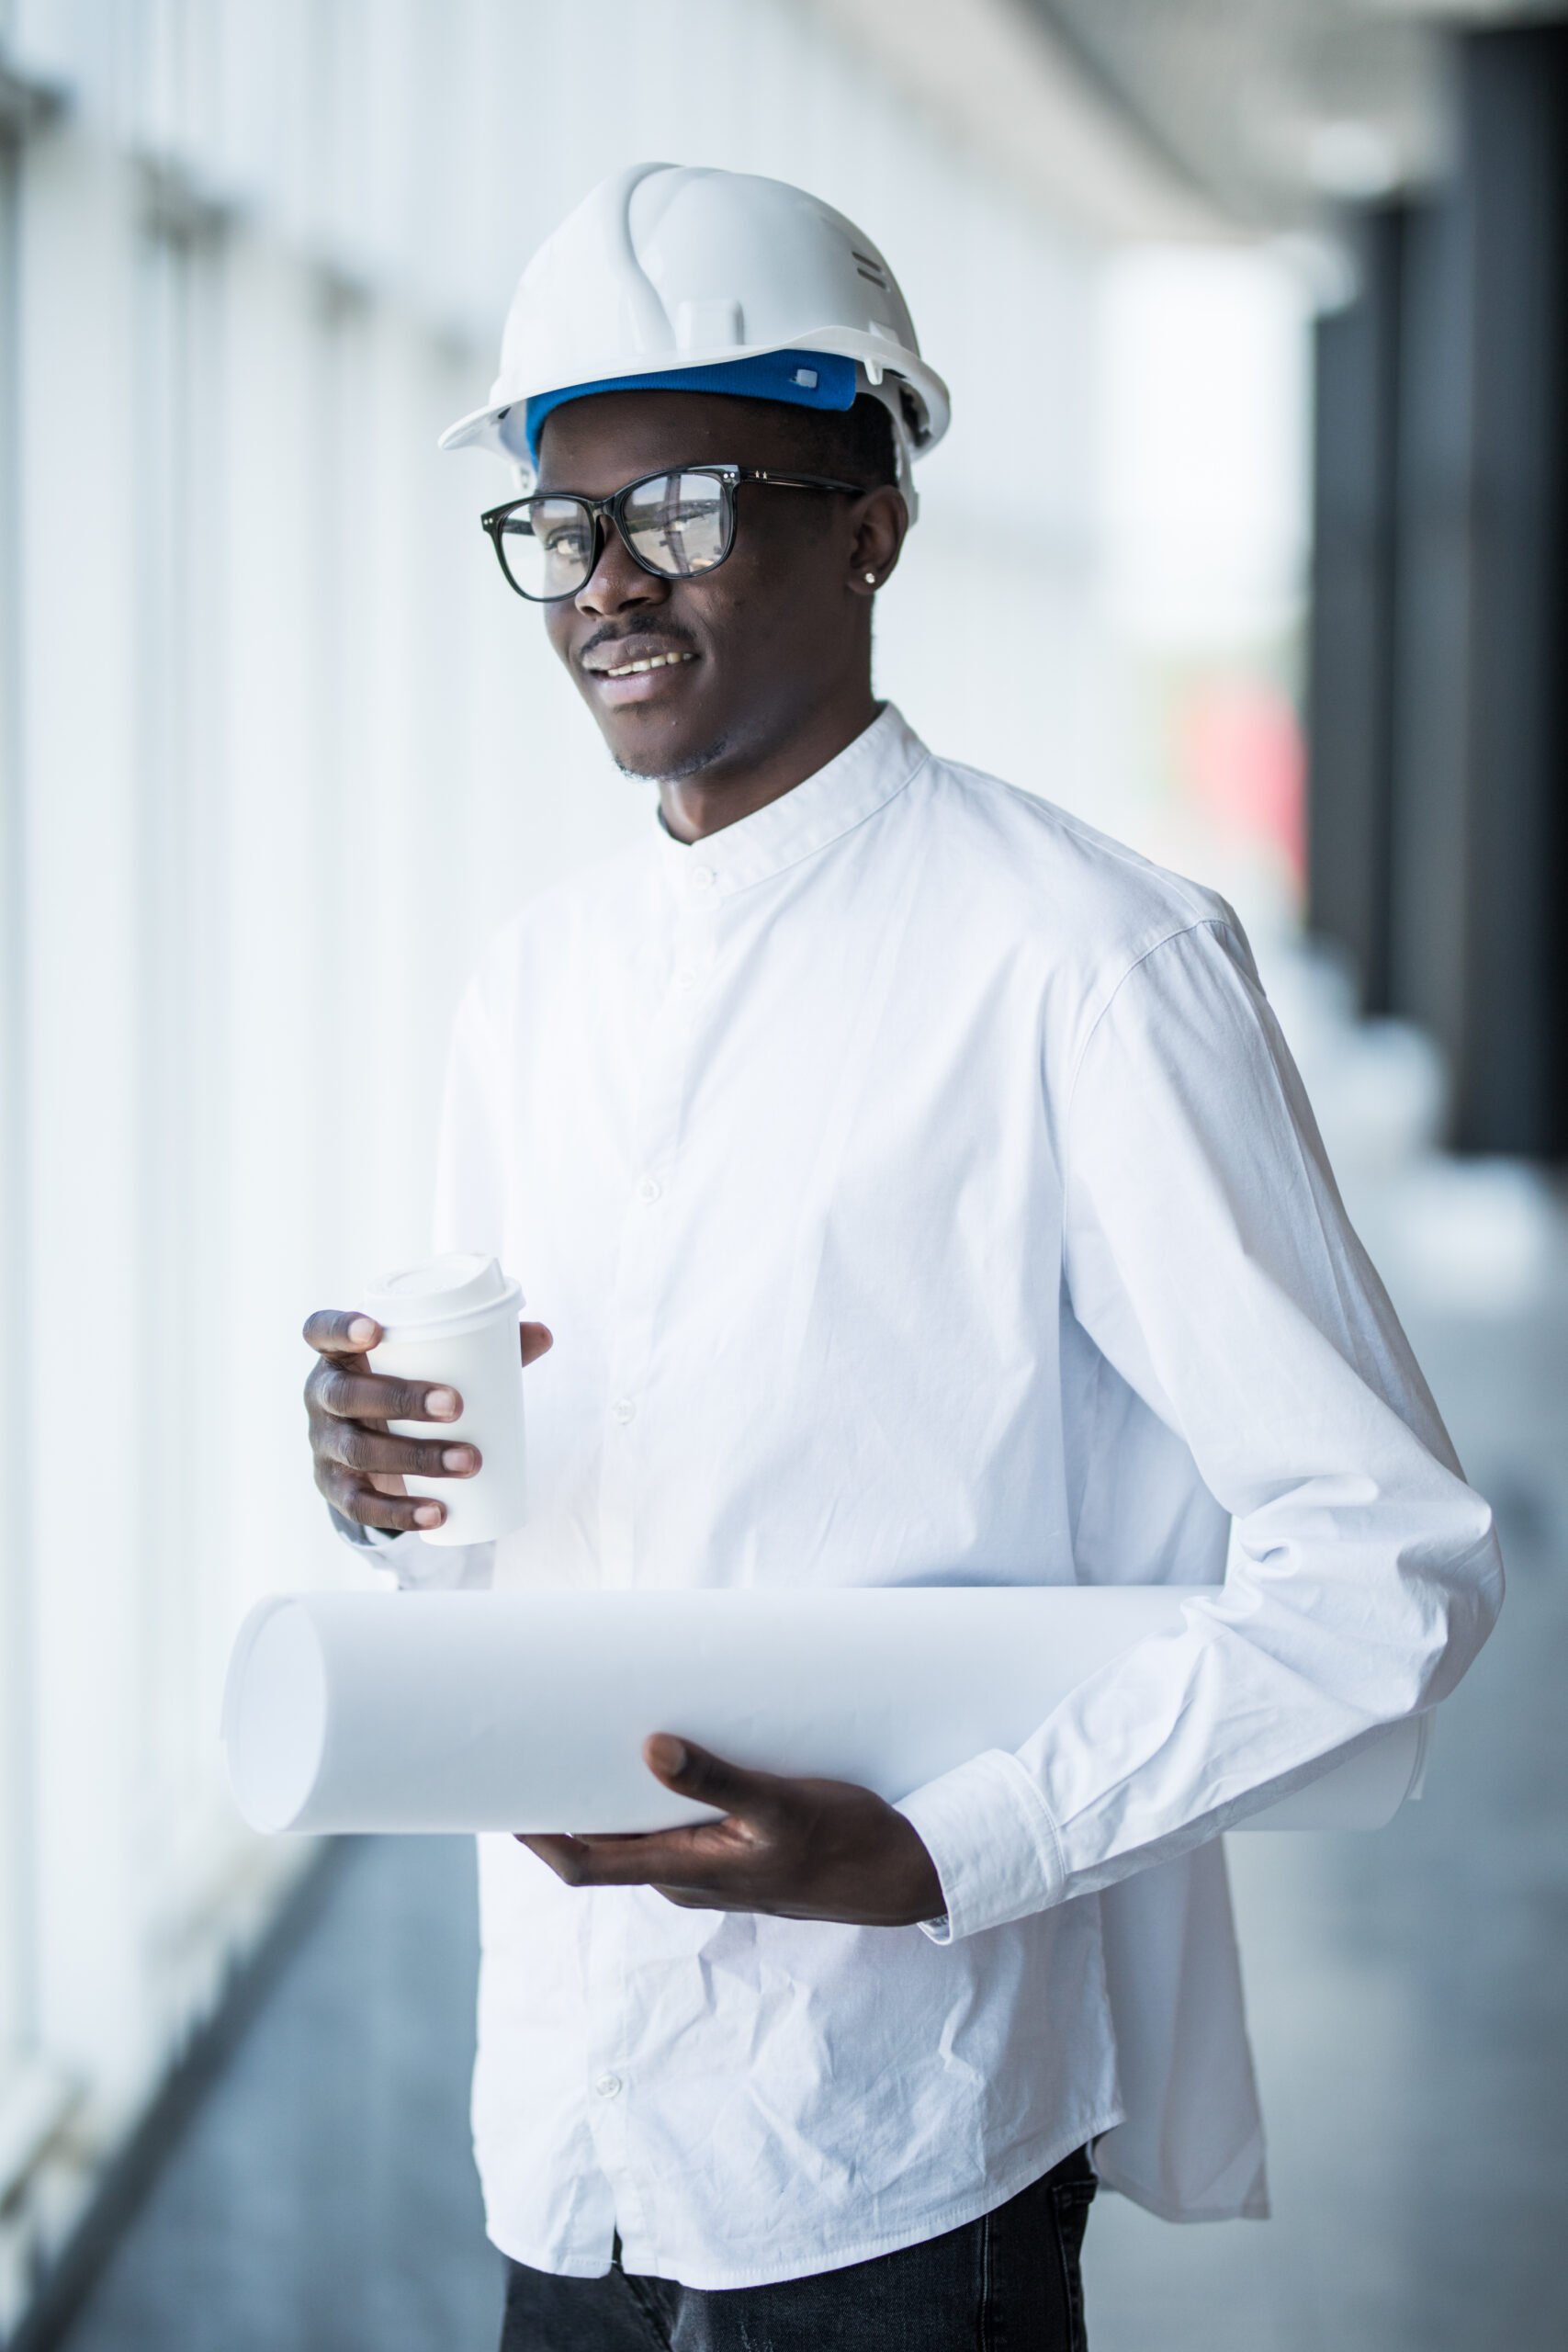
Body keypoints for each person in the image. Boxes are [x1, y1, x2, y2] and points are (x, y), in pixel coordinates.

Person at [302, 164, 1502, 2351]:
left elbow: (1386, 1565)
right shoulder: (534, 981)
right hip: (564, 2119)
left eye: (673, 506)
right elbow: (527, 1528)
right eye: (556, 528)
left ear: (868, 516)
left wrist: (950, 1848)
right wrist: (396, 1478)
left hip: (888, 2147)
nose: (598, 582)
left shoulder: (1086, 965)